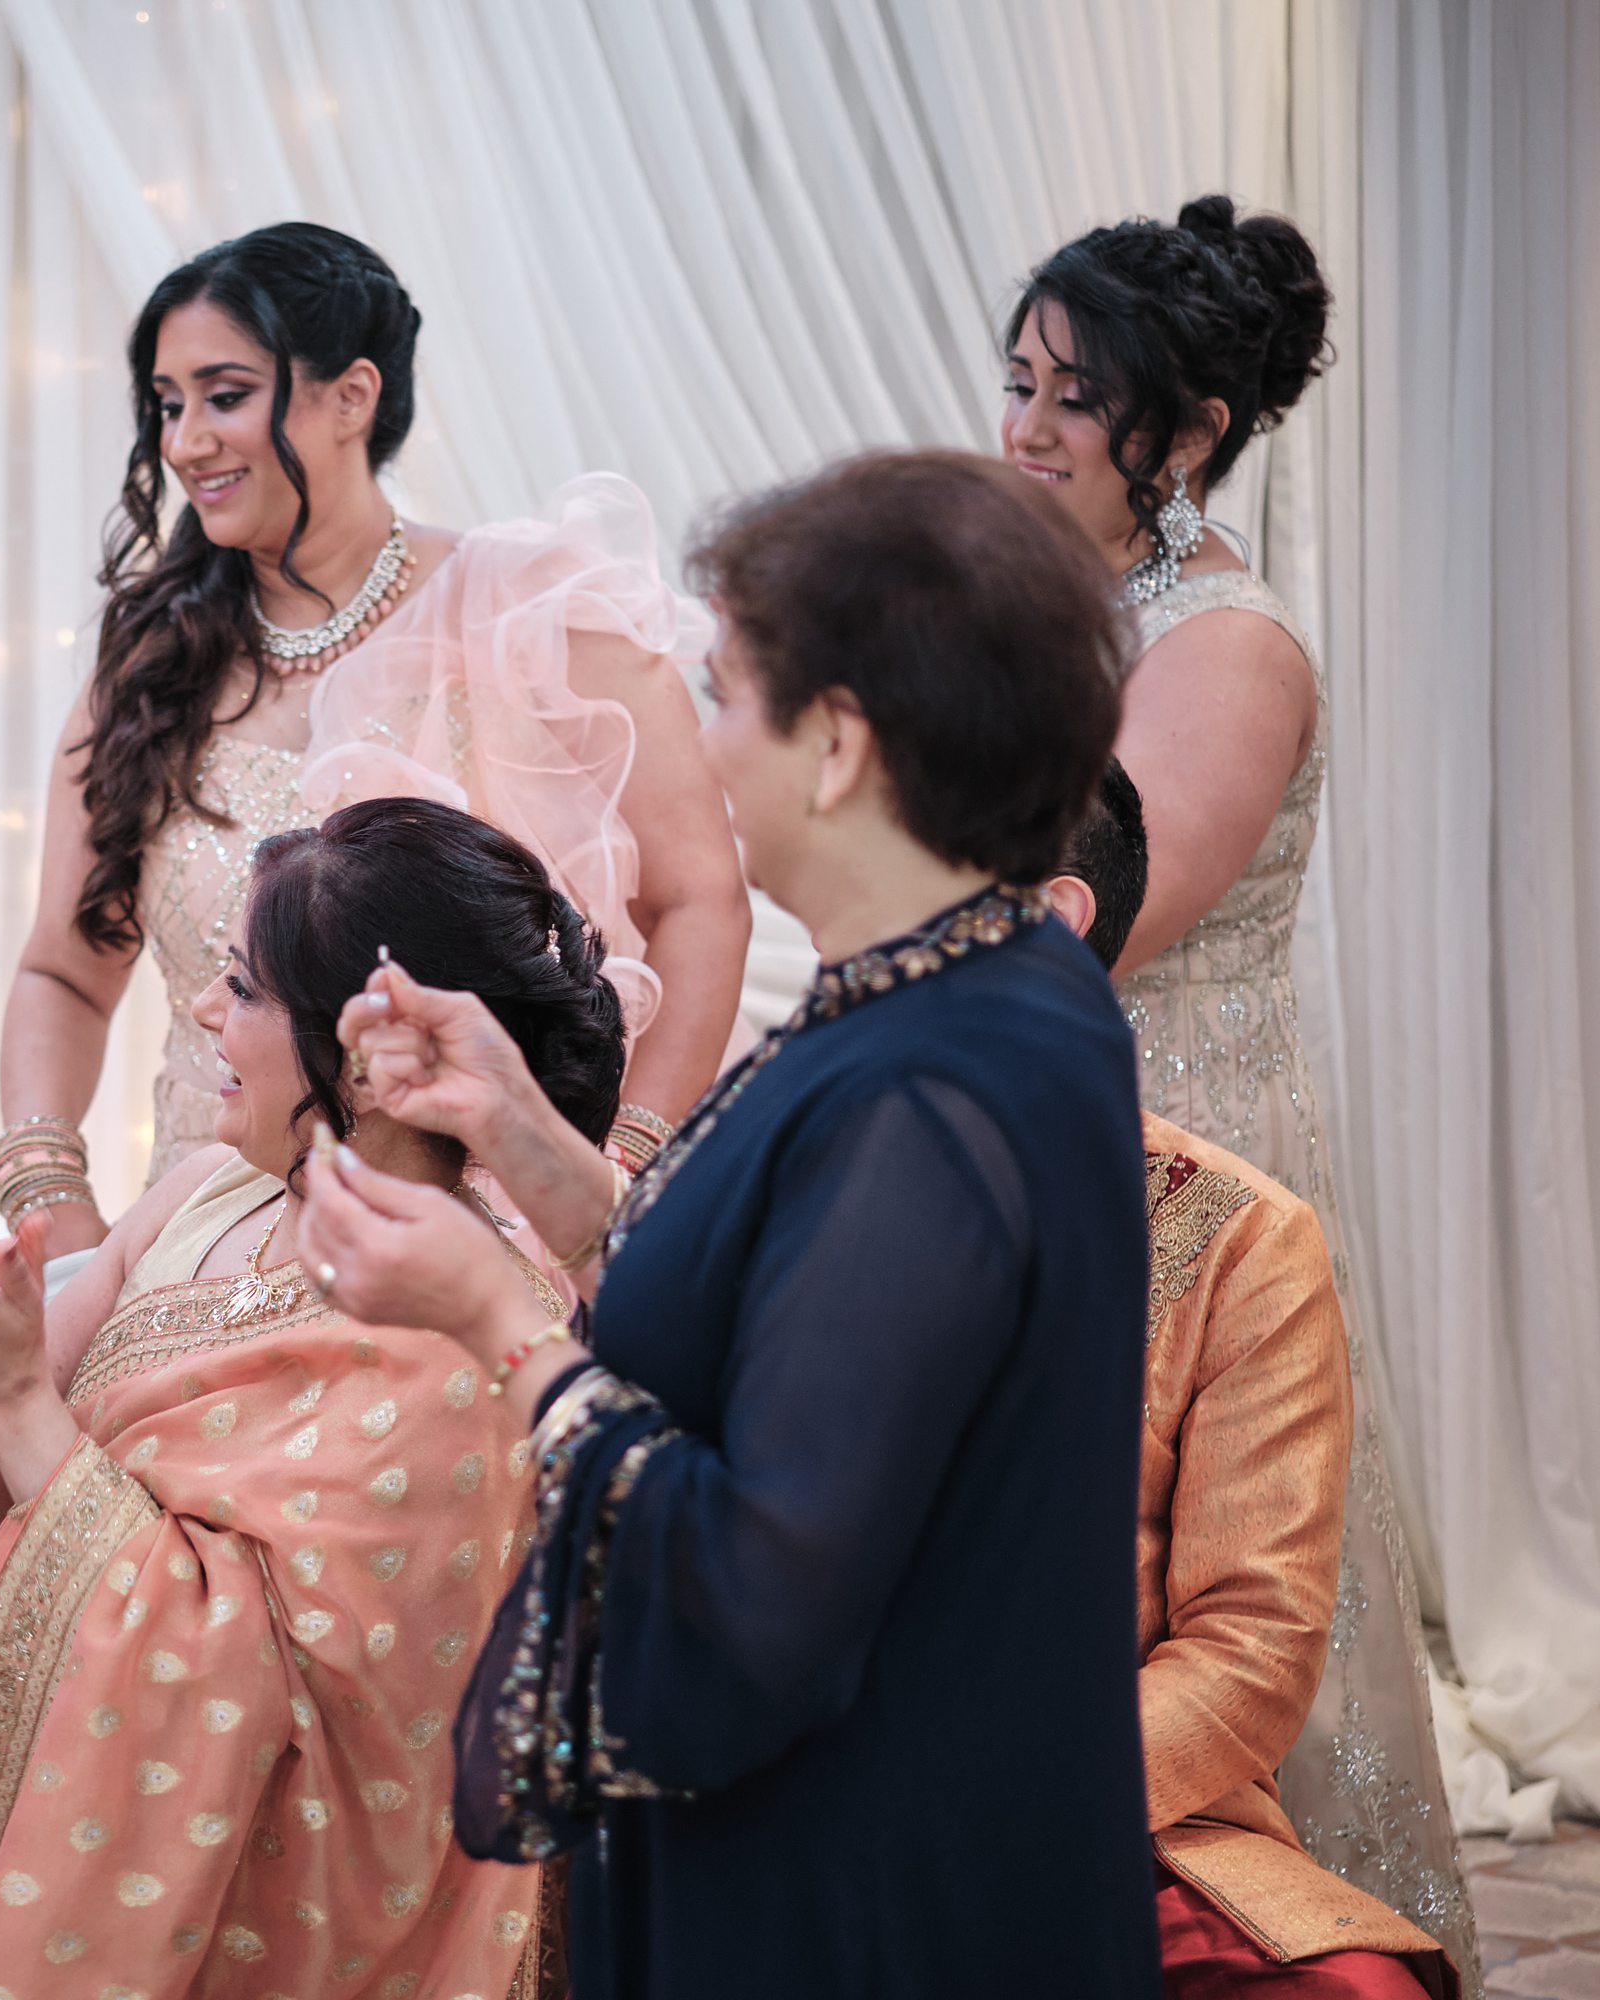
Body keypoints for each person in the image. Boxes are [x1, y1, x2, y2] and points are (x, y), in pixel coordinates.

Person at [300, 452, 1154, 1996]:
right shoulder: (981, 987)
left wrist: (498, 1321)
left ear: (836, 744)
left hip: (865, 1899)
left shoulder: (929, 1089)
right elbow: (796, 1315)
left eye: (728, 696)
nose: (701, 742)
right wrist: (518, 1128)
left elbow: (765, 1586)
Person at [0, 796, 619, 1999]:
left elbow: (237, 1679)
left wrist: (8, 1385)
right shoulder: (206, 1191)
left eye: (244, 987)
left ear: (363, 1045)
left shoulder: (459, 1327)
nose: (201, 1006)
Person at [1002, 201, 1478, 1974]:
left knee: (1212, 1563)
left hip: (1182, 1147)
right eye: (1019, 384)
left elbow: (1083, 932)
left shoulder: (1224, 645)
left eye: (1072, 398)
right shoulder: (1067, 605)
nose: (1024, 430)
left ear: (1188, 432)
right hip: (1051, 1123)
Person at [0, 220, 746, 1254]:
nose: (183, 442)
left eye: (223, 395)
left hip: (492, 1245)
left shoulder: (535, 616)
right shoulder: (152, 668)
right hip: (195, 1247)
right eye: (168, 405)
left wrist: (609, 1178)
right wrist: (50, 1202)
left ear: (351, 396)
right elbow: (66, 970)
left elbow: (699, 901)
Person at [1047, 767, 1453, 1998]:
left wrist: (996, 1804)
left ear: (1046, 918)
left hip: (1097, 1806)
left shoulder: (1229, 1238)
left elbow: (1247, 1650)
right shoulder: (774, 1181)